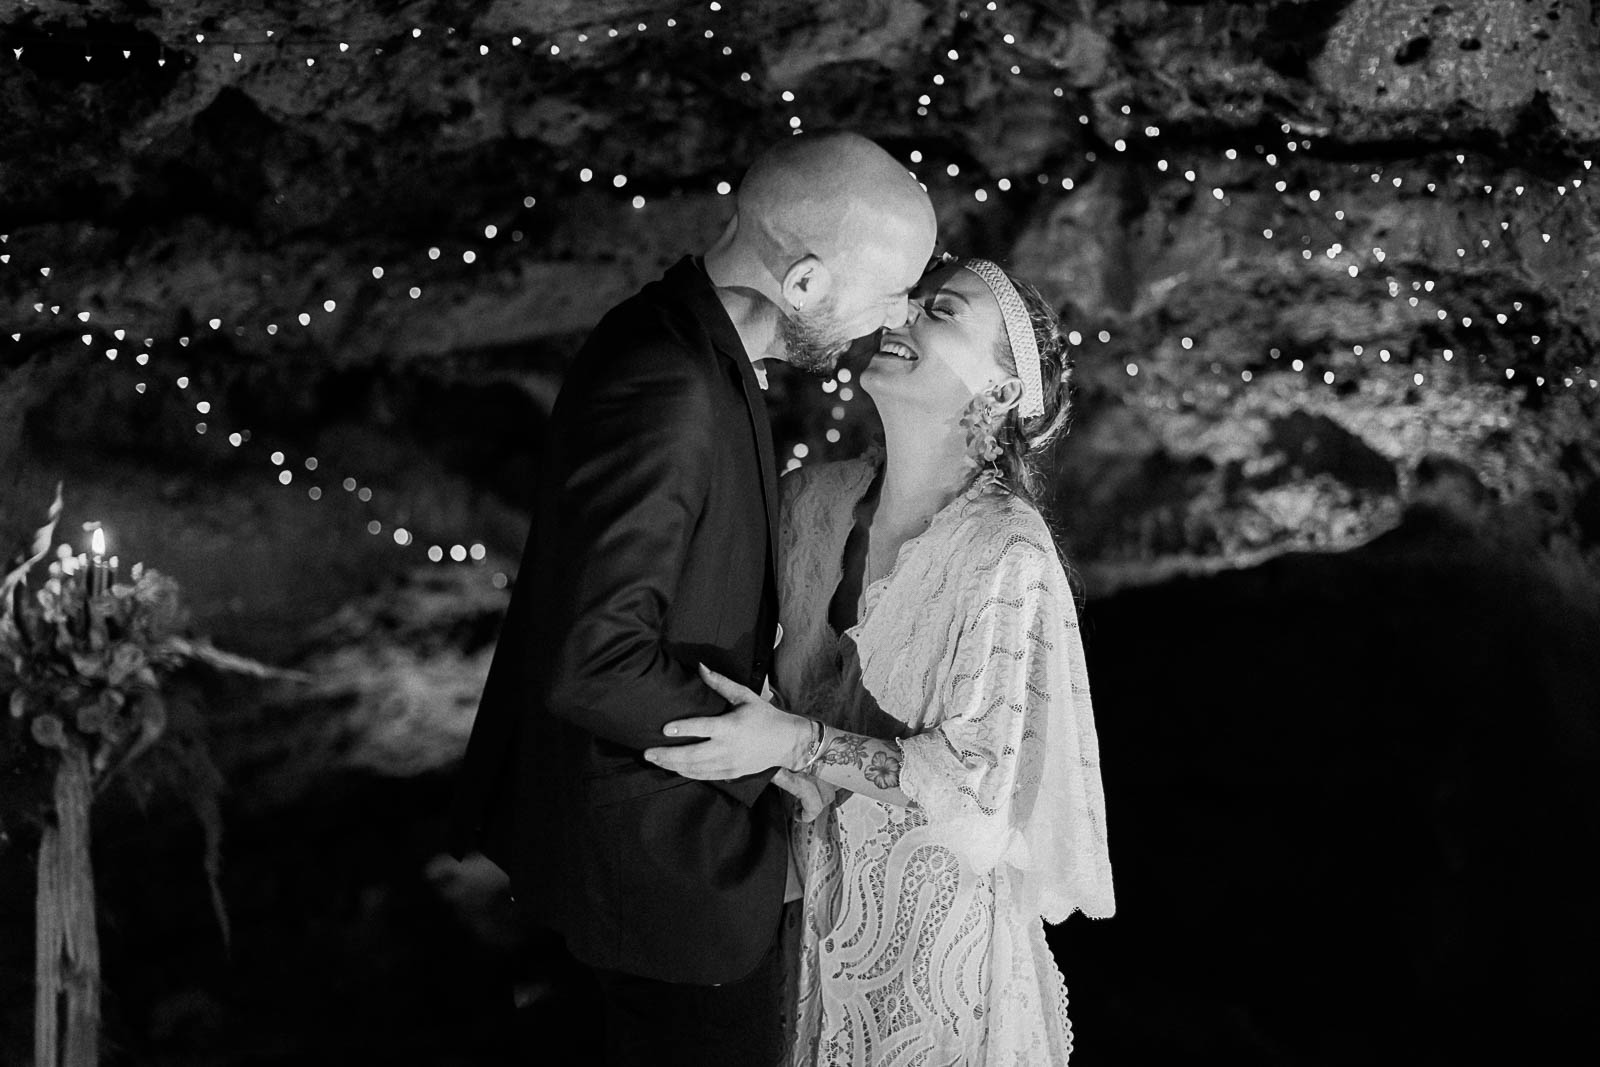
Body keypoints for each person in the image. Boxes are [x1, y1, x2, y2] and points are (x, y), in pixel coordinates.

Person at [448, 132, 937, 1067]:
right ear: (801, 286)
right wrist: (771, 757)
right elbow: (595, 661)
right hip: (658, 865)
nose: (897, 316)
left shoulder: (689, 344)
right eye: (888, 290)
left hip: (655, 853)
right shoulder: (665, 382)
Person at [644, 257, 1116, 1065]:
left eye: (942, 310)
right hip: (804, 944)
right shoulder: (810, 502)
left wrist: (798, 744)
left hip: (937, 971)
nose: (900, 317)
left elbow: (974, 794)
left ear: (1001, 393)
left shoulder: (1006, 552)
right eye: (909, 300)